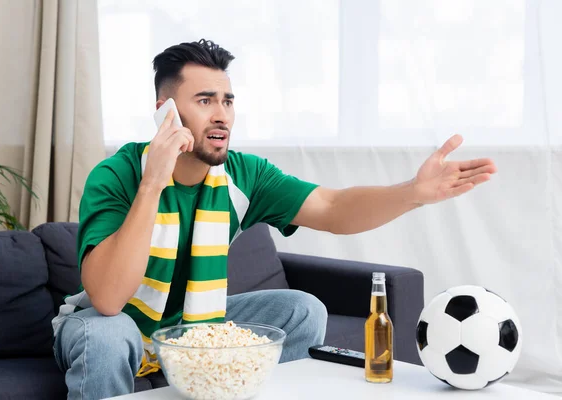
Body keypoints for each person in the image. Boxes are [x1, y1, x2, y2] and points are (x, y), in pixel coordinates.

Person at [52, 39, 497, 399]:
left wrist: (413, 194)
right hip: (105, 322)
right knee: (107, 338)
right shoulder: (118, 174)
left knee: (301, 310)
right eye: (205, 100)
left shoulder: (243, 176)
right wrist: (154, 183)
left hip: (188, 325)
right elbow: (108, 300)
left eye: (227, 100)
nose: (222, 114)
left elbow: (334, 207)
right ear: (164, 110)